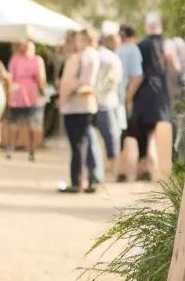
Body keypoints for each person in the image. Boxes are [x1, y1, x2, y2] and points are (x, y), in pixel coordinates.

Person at [123, 11, 170, 182]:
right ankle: (150, 167)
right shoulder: (167, 45)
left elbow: (137, 74)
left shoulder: (140, 46)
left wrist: (128, 97)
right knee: (152, 133)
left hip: (143, 96)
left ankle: (144, 167)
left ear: (147, 26)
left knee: (140, 133)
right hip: (160, 95)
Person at [57, 28, 99, 194]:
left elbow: (74, 82)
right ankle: (89, 179)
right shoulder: (92, 55)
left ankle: (78, 182)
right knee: (84, 143)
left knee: (78, 145)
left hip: (75, 105)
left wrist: (64, 97)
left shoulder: (80, 56)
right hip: (85, 104)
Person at [6, 38, 47, 161]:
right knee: (19, 123)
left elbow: (41, 77)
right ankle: (19, 149)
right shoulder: (18, 60)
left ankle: (24, 149)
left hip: (28, 94)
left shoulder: (34, 60)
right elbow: (41, 78)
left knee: (26, 123)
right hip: (21, 94)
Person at [115, 24, 143, 183]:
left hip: (118, 98)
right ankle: (128, 172)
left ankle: (122, 171)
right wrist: (128, 98)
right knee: (129, 136)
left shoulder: (119, 50)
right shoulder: (133, 49)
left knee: (123, 136)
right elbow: (137, 76)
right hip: (123, 99)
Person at [94, 29, 123, 173]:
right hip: (107, 102)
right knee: (111, 136)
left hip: (93, 101)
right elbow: (114, 80)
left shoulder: (94, 55)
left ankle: (99, 167)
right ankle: (112, 168)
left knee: (96, 137)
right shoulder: (112, 58)